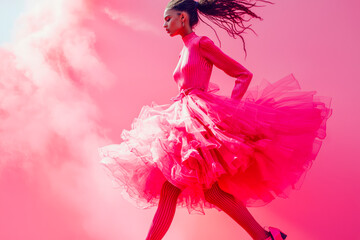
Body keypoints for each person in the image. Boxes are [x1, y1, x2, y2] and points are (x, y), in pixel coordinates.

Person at [98, 0, 332, 239]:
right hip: (183, 116)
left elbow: (242, 74)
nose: (164, 24)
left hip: (198, 120)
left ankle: (265, 237)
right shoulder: (184, 49)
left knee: (175, 187)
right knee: (205, 191)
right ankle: (266, 237)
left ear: (183, 18)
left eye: (168, 18)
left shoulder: (201, 43)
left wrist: (231, 109)